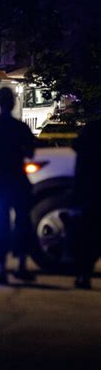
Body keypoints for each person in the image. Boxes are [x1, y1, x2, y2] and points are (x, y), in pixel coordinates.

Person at [0, 87, 36, 285]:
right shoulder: (21, 128)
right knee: (22, 222)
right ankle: (21, 265)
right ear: (13, 104)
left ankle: (2, 269)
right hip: (18, 179)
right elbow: (31, 153)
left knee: (0, 223)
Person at [73, 119, 101, 289]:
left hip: (89, 190)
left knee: (87, 235)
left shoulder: (91, 129)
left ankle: (84, 274)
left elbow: (78, 153)